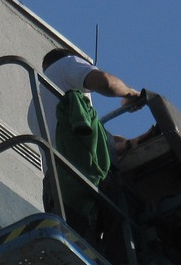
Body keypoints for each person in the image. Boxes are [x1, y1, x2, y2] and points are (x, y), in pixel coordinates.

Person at [29, 48, 154, 252]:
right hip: (79, 176)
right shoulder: (67, 66)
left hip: (57, 187)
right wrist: (131, 94)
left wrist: (137, 141)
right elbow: (104, 81)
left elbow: (100, 143)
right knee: (134, 207)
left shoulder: (38, 102)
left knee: (74, 251)